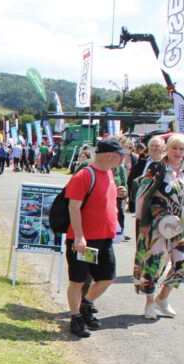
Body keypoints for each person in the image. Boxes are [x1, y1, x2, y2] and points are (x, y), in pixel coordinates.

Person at [64, 138, 128, 338]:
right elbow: (73, 207)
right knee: (78, 281)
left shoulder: (110, 173)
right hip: (84, 242)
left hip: (104, 239)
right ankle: (76, 317)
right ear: (110, 155)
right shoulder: (84, 175)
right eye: (121, 155)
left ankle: (86, 305)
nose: (123, 159)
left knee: (107, 278)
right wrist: (79, 237)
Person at [133, 133, 184, 319]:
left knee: (180, 263)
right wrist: (142, 221)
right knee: (153, 263)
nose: (177, 152)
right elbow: (142, 195)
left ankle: (163, 298)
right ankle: (149, 303)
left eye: (181, 149)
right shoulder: (157, 167)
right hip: (155, 223)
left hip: (176, 224)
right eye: (174, 148)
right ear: (167, 149)